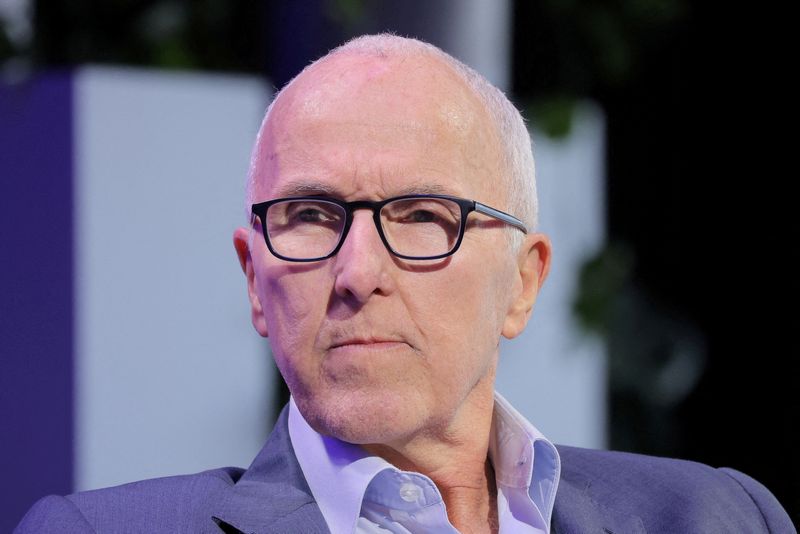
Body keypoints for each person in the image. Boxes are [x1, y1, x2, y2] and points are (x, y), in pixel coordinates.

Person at [16, 34, 794, 534]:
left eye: (423, 214)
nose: (357, 273)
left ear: (523, 284)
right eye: (312, 214)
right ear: (256, 281)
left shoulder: (718, 518)